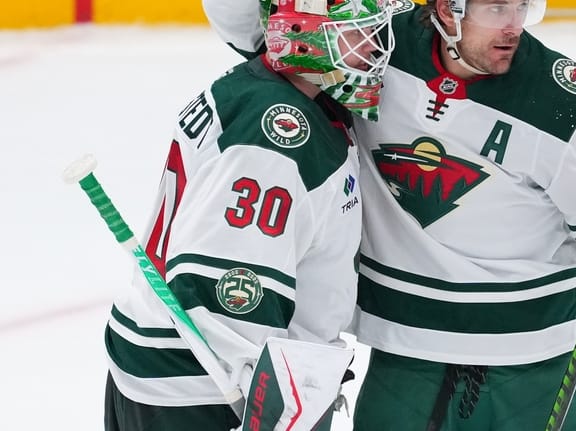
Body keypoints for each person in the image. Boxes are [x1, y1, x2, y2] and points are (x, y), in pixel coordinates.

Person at [203, 0, 576, 430]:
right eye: (497, 6)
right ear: (447, 8)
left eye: (523, 5)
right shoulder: (372, 47)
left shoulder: (565, 98)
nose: (514, 25)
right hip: (405, 363)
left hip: (537, 369)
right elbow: (267, 33)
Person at [102, 0, 394, 430]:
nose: (376, 48)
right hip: (203, 389)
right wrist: (274, 404)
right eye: (357, 31)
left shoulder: (275, 90)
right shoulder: (277, 133)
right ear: (305, 32)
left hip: (174, 373)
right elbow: (230, 291)